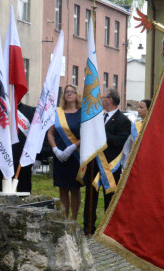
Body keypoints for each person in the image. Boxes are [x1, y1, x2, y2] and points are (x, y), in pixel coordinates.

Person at [85, 89, 132, 234]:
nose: (100, 100)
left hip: (110, 165)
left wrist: (101, 132)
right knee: (90, 196)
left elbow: (119, 141)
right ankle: (88, 227)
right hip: (94, 163)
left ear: (110, 99)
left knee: (110, 197)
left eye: (103, 97)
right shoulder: (100, 117)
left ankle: (108, 230)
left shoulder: (123, 121)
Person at [48, 84, 83, 220]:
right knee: (62, 188)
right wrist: (55, 149)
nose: (69, 94)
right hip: (60, 156)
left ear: (77, 95)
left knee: (74, 189)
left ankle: (73, 219)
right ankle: (64, 218)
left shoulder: (82, 113)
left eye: (72, 92)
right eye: (67, 92)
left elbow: (86, 134)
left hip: (75, 156)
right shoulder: (57, 112)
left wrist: (73, 147)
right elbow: (50, 133)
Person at [0, 101, 37, 193]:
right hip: (2, 157)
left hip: (23, 160)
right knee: (2, 191)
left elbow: (36, 135)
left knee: (24, 192)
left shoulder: (30, 111)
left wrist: (38, 156)